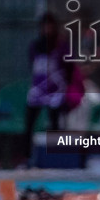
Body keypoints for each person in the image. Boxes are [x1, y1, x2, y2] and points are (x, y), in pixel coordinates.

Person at [26, 12, 71, 144]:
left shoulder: (61, 46)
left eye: (50, 26)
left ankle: (56, 153)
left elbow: (69, 67)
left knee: (55, 121)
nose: (47, 29)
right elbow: (32, 66)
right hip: (38, 90)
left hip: (56, 91)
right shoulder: (35, 46)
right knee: (29, 121)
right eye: (44, 26)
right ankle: (27, 157)